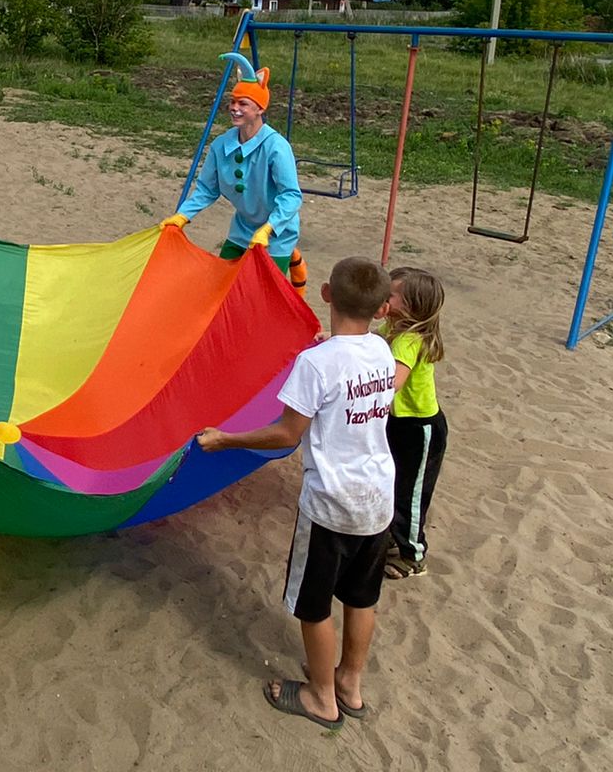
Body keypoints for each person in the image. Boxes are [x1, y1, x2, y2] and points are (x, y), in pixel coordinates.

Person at [198, 256, 396, 732]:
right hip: (378, 500)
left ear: (326, 294)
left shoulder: (315, 362)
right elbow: (349, 366)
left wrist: (227, 438)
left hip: (331, 505)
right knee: (361, 598)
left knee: (314, 605)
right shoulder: (383, 352)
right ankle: (350, 683)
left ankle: (322, 697)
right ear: (382, 310)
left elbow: (287, 435)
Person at [163, 52, 307, 296]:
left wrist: (269, 229)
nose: (234, 108)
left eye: (243, 104)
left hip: (275, 235)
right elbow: (208, 189)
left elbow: (292, 195)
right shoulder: (221, 145)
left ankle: (291, 259)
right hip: (243, 229)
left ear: (260, 108)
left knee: (262, 293)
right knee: (223, 285)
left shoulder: (276, 147)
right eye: (233, 102)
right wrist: (182, 216)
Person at [383, 267, 447, 580]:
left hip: (420, 429)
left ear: (409, 306)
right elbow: (370, 342)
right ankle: (394, 538)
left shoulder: (408, 340)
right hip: (399, 423)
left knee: (410, 492)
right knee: (393, 484)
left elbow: (393, 381)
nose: (384, 297)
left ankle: (413, 555)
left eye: (390, 294)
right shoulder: (392, 329)